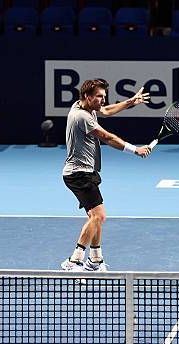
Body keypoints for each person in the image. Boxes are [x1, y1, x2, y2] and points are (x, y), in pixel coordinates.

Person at [61, 78, 152, 272]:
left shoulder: (83, 106)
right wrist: (135, 150)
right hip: (79, 174)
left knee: (94, 216)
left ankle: (95, 260)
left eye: (104, 96)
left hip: (86, 172)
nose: (103, 100)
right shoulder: (82, 117)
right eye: (99, 96)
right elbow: (107, 137)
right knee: (99, 216)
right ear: (87, 96)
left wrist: (130, 102)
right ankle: (73, 261)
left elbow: (107, 111)